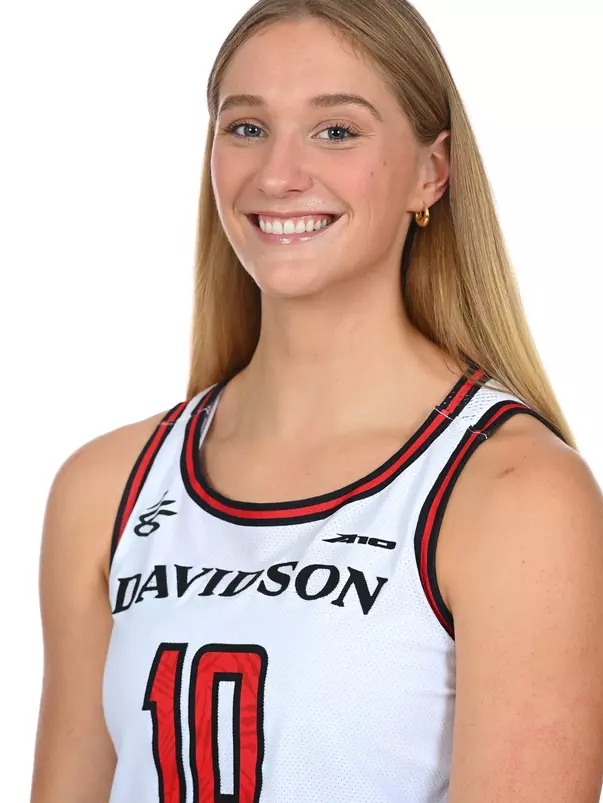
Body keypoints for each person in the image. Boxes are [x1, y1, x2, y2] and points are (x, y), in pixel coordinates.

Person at [30, 1, 603, 801]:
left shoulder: (514, 496)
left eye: (335, 131)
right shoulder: (105, 490)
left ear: (430, 172)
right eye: (246, 128)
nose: (276, 174)